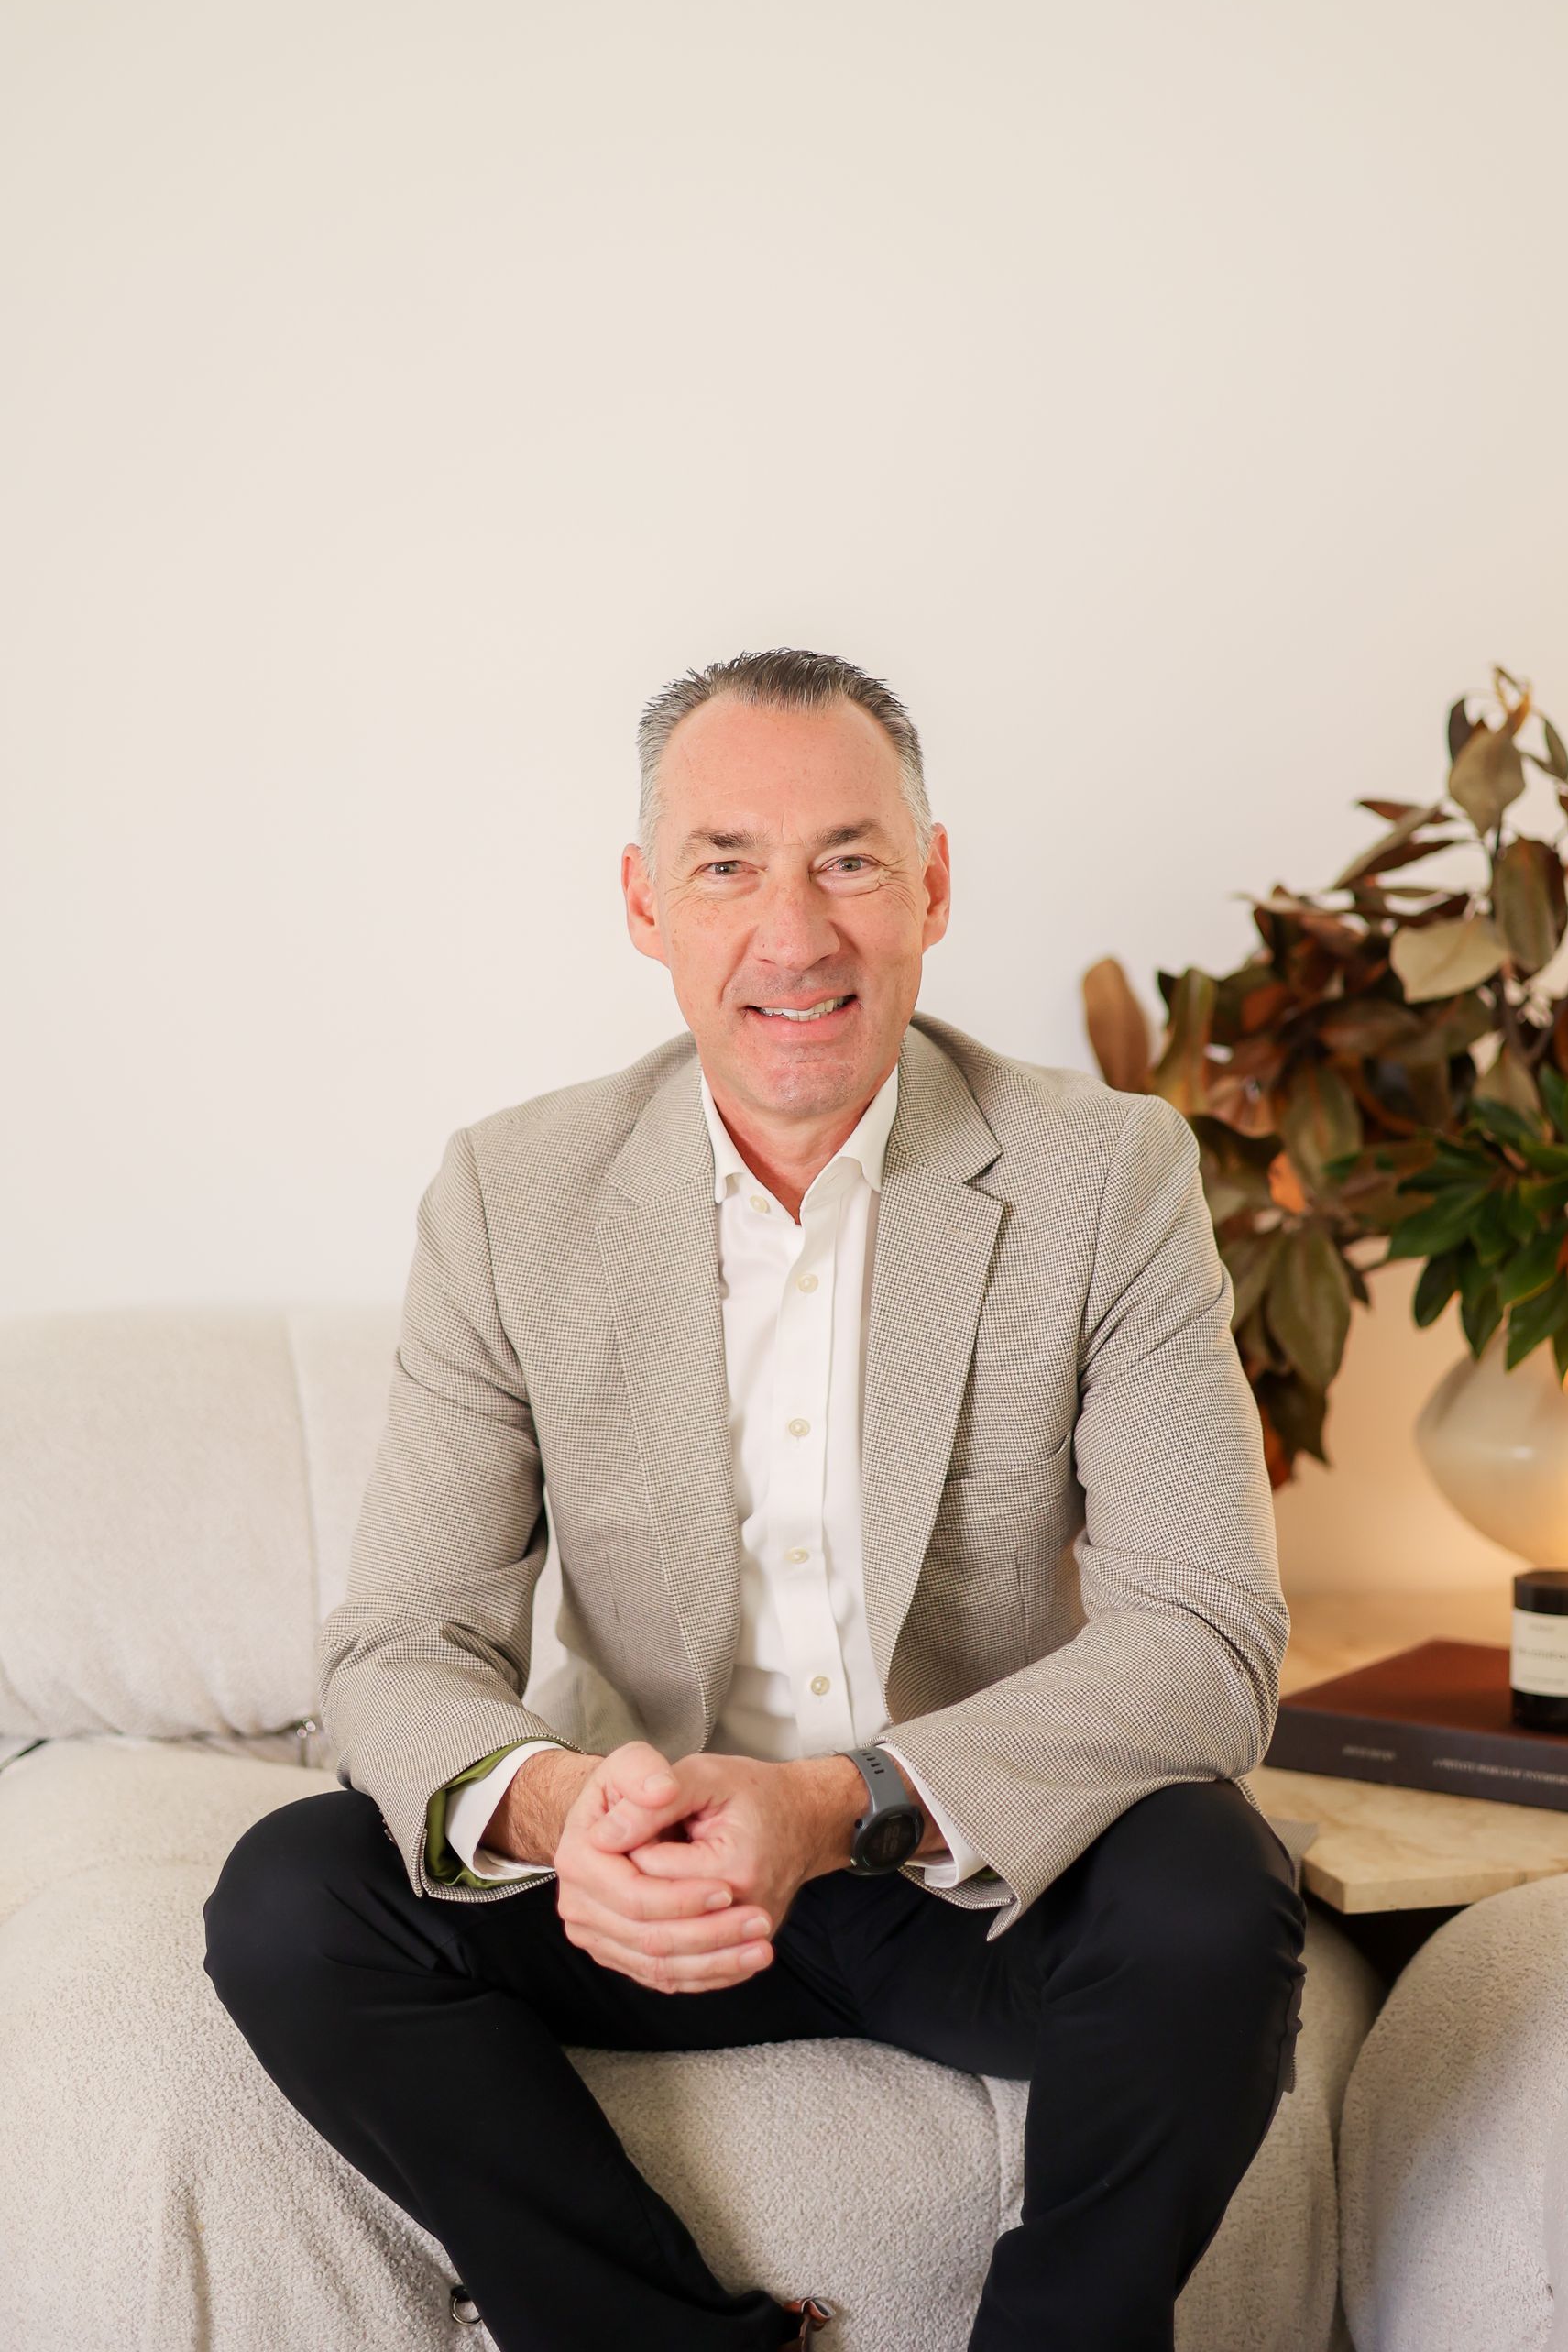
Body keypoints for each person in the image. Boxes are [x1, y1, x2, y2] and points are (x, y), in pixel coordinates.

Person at [203, 646, 1307, 2352]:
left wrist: (839, 1804)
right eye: (728, 867)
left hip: (956, 1869)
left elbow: (1211, 1640)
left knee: (1214, 1887)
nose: (794, 936)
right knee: (292, 1894)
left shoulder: (1108, 1176)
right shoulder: (513, 1192)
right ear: (647, 905)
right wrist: (568, 1812)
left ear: (932, 884)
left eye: (850, 860)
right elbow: (397, 1644)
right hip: (641, 1881)